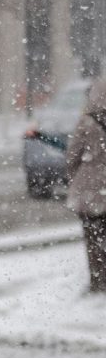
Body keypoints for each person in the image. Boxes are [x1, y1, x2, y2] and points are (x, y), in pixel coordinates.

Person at [64, 75, 106, 292]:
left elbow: (72, 156)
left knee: (93, 239)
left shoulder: (87, 122)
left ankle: (98, 281)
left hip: (90, 192)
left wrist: (76, 179)